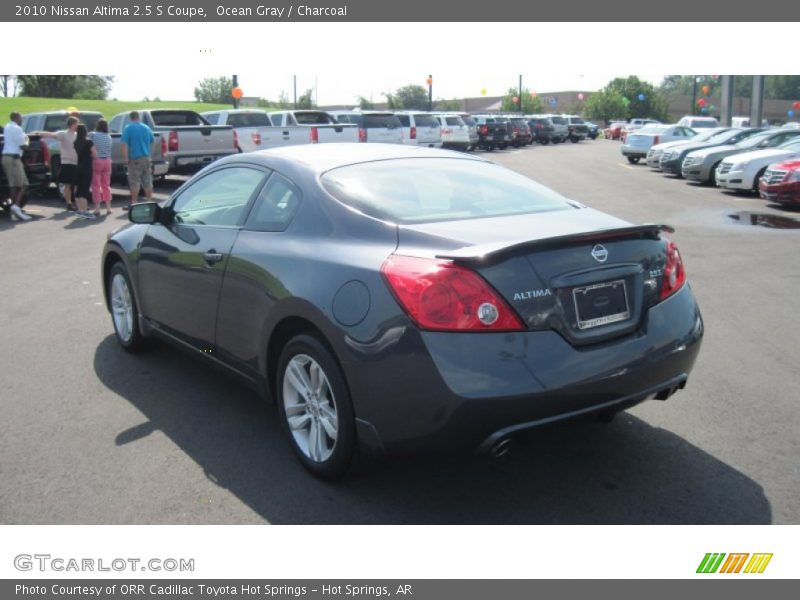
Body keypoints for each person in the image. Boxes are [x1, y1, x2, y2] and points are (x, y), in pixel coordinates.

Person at [39, 116, 79, 211]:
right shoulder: (63, 134)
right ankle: (69, 203)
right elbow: (52, 135)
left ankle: (78, 203)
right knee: (68, 185)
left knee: (77, 185)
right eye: (77, 123)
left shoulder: (77, 134)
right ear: (72, 124)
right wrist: (40, 133)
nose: (78, 125)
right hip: (66, 162)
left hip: (76, 163)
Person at [1, 111, 32, 221]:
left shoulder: (7, 127)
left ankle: (13, 212)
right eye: (20, 118)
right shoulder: (17, 129)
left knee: (13, 186)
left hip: (5, 157)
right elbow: (23, 146)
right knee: (24, 184)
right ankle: (16, 206)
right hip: (14, 158)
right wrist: (27, 141)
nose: (21, 120)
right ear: (16, 118)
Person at [120, 111, 154, 207]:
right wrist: (149, 153)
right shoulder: (146, 128)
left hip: (135, 158)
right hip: (146, 157)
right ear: (139, 117)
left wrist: (126, 158)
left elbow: (124, 144)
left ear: (130, 118)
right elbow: (152, 141)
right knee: (147, 181)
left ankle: (134, 203)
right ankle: (149, 201)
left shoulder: (128, 128)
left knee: (134, 182)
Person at [73, 124, 96, 220]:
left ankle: (80, 210)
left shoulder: (75, 142)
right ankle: (85, 211)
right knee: (85, 189)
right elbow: (95, 154)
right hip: (87, 166)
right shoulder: (89, 142)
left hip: (78, 166)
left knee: (79, 189)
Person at [90, 119, 112, 215]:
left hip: (97, 160)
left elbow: (89, 145)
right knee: (106, 185)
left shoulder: (93, 135)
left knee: (96, 185)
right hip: (107, 161)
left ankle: (97, 208)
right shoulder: (108, 137)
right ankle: (108, 208)